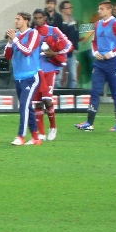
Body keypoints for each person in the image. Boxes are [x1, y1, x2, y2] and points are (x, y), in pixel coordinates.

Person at [76, 0, 116, 132]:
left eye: (101, 9)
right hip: (99, 64)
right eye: (99, 8)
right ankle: (89, 123)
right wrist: (95, 53)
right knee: (94, 91)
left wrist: (111, 54)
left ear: (108, 10)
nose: (99, 11)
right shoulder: (98, 24)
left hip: (113, 64)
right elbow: (94, 42)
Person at [31, 9, 71, 141]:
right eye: (35, 18)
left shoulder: (53, 30)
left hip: (50, 70)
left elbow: (69, 45)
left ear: (45, 18)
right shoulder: (32, 33)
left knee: (47, 99)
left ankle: (53, 127)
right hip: (36, 71)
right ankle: (41, 132)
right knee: (37, 102)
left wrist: (55, 54)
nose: (37, 20)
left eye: (40, 18)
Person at [3, 11, 41, 145]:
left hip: (31, 76)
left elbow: (27, 51)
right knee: (27, 106)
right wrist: (9, 42)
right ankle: (36, 137)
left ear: (26, 20)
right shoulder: (16, 36)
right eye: (15, 19)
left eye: (18, 19)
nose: (15, 21)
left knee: (24, 104)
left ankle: (21, 136)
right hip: (18, 77)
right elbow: (7, 56)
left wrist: (15, 40)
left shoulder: (33, 33)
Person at [58, 0, 79, 88]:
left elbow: (76, 35)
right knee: (58, 77)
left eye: (71, 7)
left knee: (73, 77)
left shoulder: (74, 21)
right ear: (62, 10)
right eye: (68, 8)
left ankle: (71, 96)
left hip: (71, 52)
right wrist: (66, 23)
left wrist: (76, 48)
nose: (70, 9)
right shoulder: (59, 21)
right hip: (60, 52)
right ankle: (57, 96)